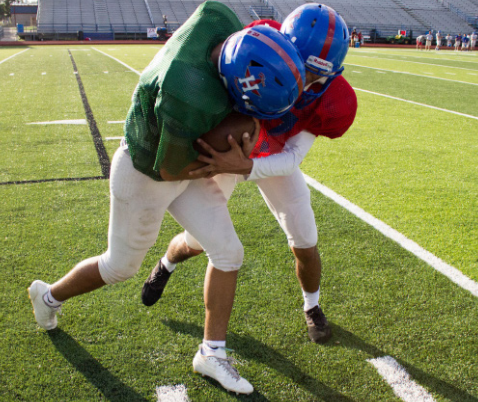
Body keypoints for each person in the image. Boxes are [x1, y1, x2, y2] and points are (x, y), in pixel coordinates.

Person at [27, 1, 305, 395]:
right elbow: (172, 171)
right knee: (120, 266)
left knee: (229, 253)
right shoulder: (189, 95)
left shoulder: (219, 18)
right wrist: (222, 162)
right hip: (148, 171)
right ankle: (49, 296)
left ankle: (211, 353)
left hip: (183, 153)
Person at [141, 4, 355, 346]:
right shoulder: (257, 44)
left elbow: (294, 156)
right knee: (197, 242)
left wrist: (248, 167)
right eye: (304, 69)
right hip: (230, 145)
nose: (309, 81)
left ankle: (312, 307)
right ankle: (166, 264)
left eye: (319, 75)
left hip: (271, 155)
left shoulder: (333, 98)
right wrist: (226, 154)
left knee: (305, 238)